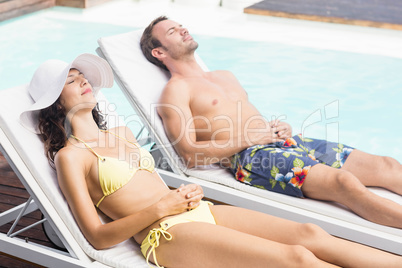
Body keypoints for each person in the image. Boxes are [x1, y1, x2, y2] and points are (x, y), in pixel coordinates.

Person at [18, 53, 402, 268]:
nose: (83, 80)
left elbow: (147, 184)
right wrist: (162, 206)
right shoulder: (71, 157)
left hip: (198, 210)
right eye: (70, 81)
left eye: (80, 75)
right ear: (54, 103)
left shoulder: (121, 133)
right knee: (296, 259)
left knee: (310, 234)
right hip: (164, 235)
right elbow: (96, 236)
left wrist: (178, 196)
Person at [140, 16, 402, 229]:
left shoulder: (224, 75)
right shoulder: (175, 91)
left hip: (283, 141)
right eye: (173, 31)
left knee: (387, 165)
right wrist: (253, 139)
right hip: (252, 157)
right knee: (344, 183)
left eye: (180, 25)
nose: (183, 29)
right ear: (159, 51)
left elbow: (246, 118)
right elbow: (188, 155)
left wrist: (278, 129)